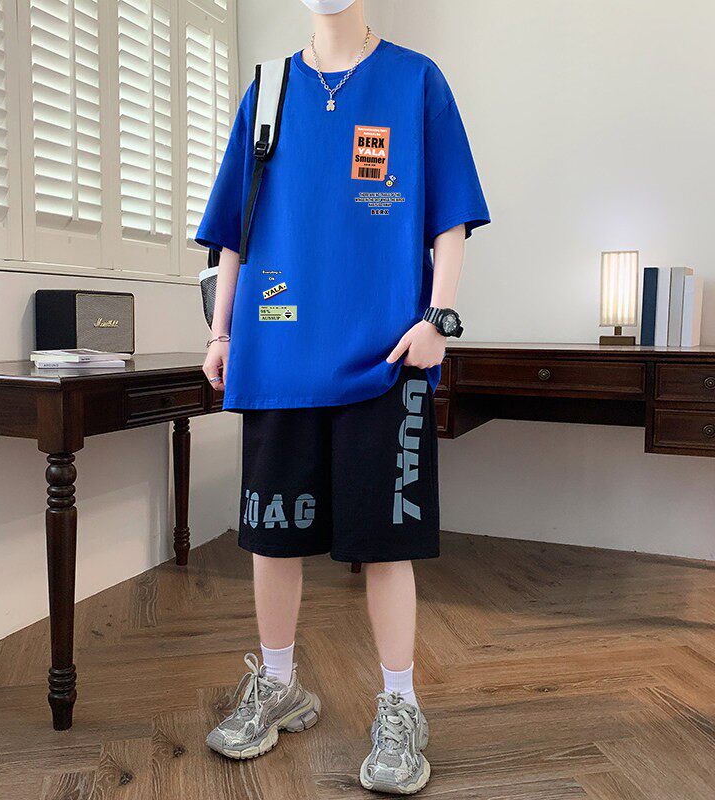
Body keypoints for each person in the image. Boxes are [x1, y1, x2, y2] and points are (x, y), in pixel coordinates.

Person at [196, 0, 489, 793]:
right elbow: (234, 230)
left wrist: (439, 319)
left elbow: (450, 217)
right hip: (278, 355)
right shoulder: (267, 89)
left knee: (386, 545)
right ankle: (279, 685)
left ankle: (400, 705)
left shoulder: (416, 81)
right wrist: (222, 333)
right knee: (272, 538)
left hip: (384, 358)